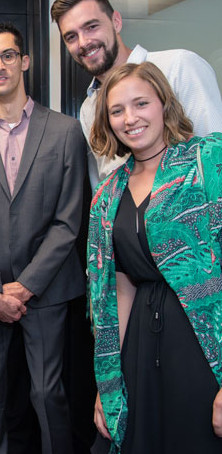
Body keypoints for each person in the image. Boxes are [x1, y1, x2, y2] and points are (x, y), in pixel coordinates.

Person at [0, 23, 86, 454]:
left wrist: (27, 285)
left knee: (47, 395)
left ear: (24, 61)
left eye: (7, 55)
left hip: (45, 289)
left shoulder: (65, 132)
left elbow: (68, 221)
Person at [86, 61, 222, 453]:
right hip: (140, 348)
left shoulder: (206, 162)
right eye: (116, 110)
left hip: (202, 343)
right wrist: (109, 382)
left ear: (163, 103)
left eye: (141, 103)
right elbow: (119, 289)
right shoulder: (108, 194)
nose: (130, 118)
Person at [50, 0, 222, 187]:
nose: (83, 42)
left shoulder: (178, 67)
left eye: (92, 27)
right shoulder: (89, 107)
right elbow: (103, 184)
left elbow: (216, 158)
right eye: (71, 37)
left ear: (116, 22)